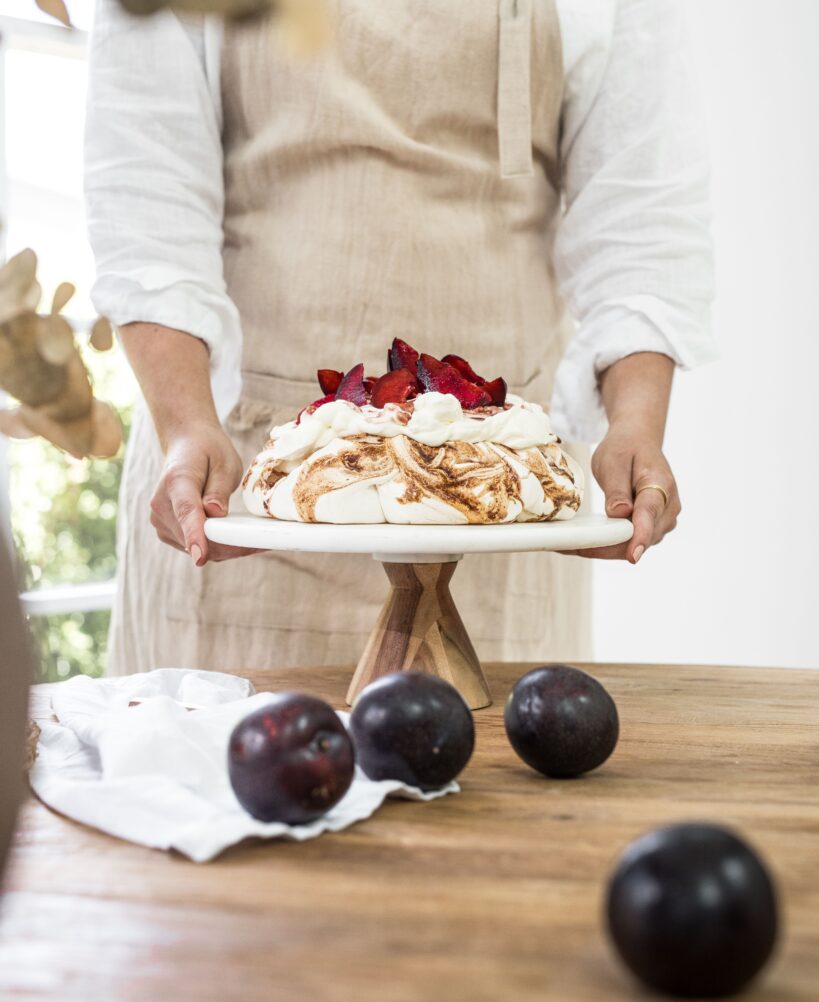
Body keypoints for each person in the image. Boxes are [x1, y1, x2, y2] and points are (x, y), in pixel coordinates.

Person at [85, 0, 714, 675]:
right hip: (242, 484)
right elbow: (148, 197)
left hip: (502, 501)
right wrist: (185, 426)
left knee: (497, 768)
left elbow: (640, 220)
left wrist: (636, 425)